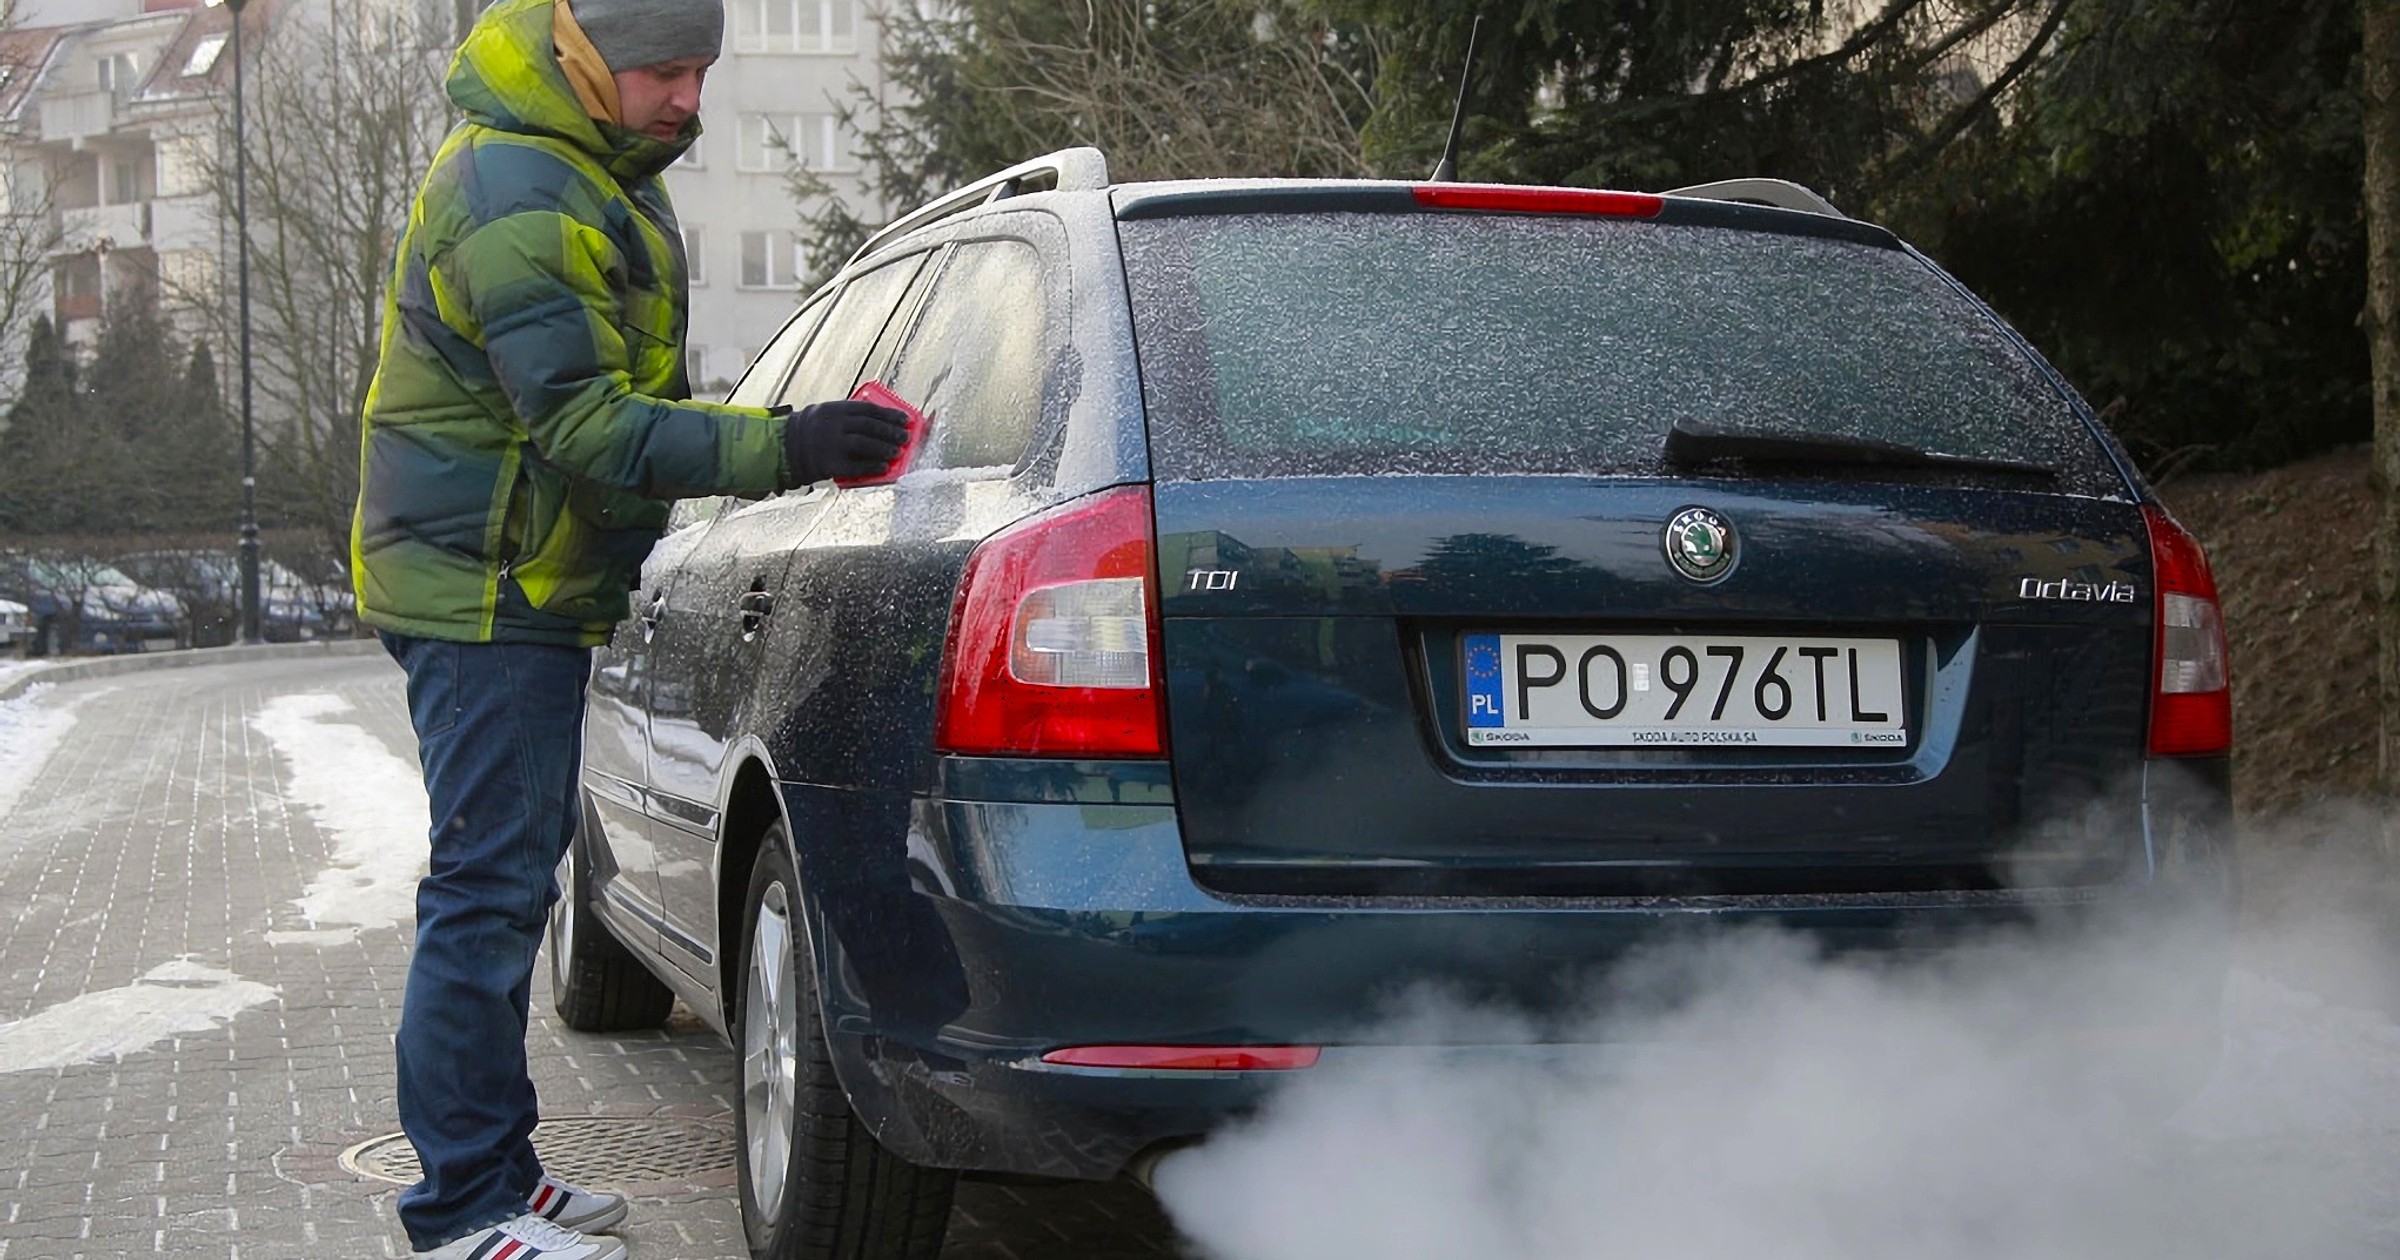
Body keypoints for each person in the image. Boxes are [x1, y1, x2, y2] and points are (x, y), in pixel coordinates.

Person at [349, 0, 906, 1256]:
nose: (688, 101)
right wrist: (787, 444)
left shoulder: (593, 170)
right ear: (585, 55)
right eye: (665, 71)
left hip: (523, 584)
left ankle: (501, 1168)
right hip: (486, 591)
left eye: (703, 71)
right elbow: (588, 424)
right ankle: (459, 1213)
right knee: (486, 895)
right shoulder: (520, 188)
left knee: (511, 875)